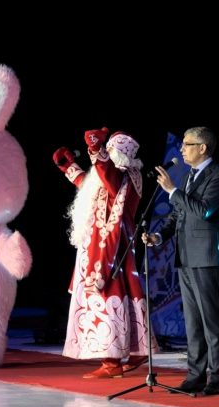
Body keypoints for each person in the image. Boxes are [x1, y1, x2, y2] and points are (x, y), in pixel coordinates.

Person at [53, 127, 151, 378]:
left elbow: (106, 175)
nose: (106, 153)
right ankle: (136, 351)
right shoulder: (112, 176)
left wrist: (95, 148)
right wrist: (69, 167)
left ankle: (112, 362)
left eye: (109, 149)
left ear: (120, 154)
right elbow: (90, 185)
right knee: (125, 294)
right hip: (100, 243)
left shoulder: (126, 175)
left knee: (108, 293)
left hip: (111, 247)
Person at [142, 126, 219, 396]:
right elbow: (179, 214)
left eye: (187, 144)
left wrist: (172, 190)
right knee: (192, 322)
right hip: (186, 256)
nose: (182, 149)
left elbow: (205, 211)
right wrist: (159, 236)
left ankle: (216, 378)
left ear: (202, 148)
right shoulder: (190, 176)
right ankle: (195, 375)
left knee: (210, 321)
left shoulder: (218, 174)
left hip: (205, 256)